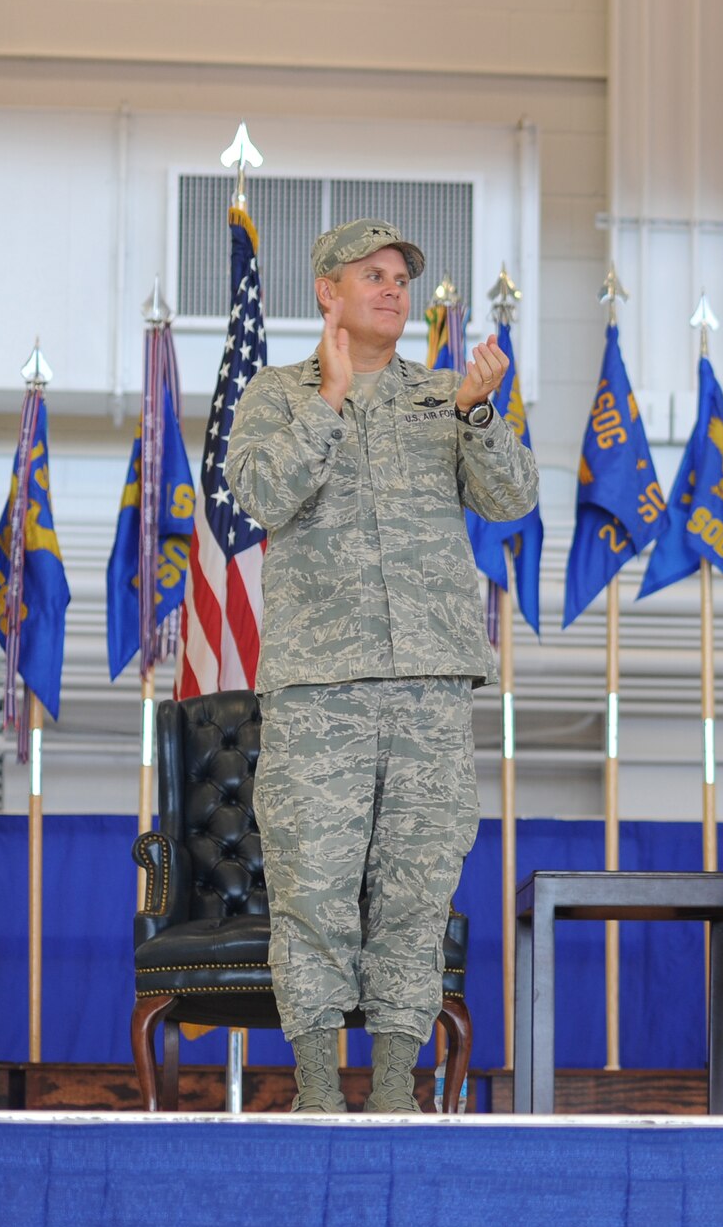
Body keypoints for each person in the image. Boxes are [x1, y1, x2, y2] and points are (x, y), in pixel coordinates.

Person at [226, 218, 539, 1113]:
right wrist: (327, 403)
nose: (395, 287)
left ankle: (399, 1091)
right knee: (313, 888)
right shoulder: (275, 395)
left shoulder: (444, 398)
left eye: (403, 274)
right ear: (327, 290)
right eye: (373, 273)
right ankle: (320, 1093)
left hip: (430, 687)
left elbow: (512, 498)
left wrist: (479, 411)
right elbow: (258, 495)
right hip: (319, 689)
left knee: (416, 886)